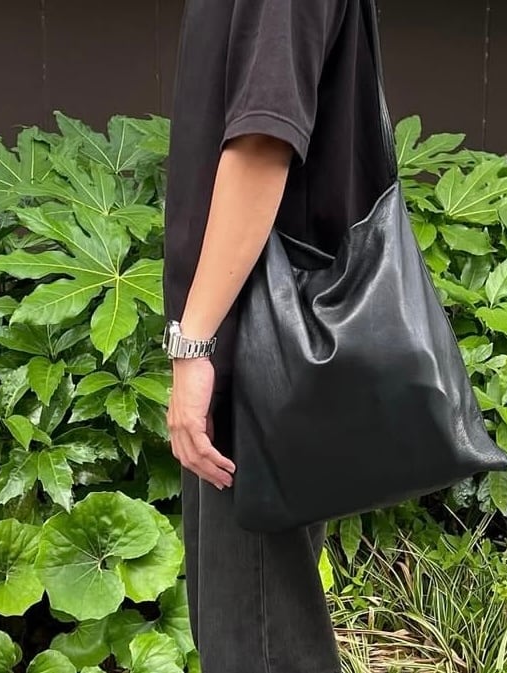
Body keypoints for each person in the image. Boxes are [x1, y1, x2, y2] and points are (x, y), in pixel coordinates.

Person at [162, 0, 394, 671]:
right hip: (263, 346)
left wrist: (194, 345)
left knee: (255, 643)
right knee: (253, 629)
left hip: (256, 354)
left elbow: (264, 143)